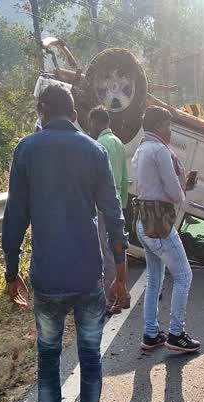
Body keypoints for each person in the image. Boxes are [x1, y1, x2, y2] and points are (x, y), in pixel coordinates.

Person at [1, 84, 128, 402]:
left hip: (47, 276)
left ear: (42, 111)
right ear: (74, 112)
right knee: (90, 358)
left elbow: (15, 217)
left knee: (48, 357)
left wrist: (11, 270)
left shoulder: (26, 150)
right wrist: (120, 271)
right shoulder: (95, 151)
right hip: (88, 275)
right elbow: (112, 213)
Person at [131, 106, 200, 354]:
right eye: (169, 126)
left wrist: (180, 188)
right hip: (159, 223)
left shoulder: (141, 149)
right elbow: (173, 193)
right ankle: (176, 334)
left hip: (142, 220)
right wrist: (184, 189)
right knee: (184, 276)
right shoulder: (160, 150)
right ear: (159, 125)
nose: (170, 131)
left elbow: (149, 186)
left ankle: (151, 334)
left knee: (155, 278)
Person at [88, 106, 131, 314]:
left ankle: (109, 298)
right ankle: (124, 293)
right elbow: (124, 179)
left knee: (104, 252)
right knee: (120, 248)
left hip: (102, 206)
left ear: (96, 122)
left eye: (91, 123)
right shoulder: (119, 143)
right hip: (118, 204)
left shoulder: (98, 145)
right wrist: (121, 204)